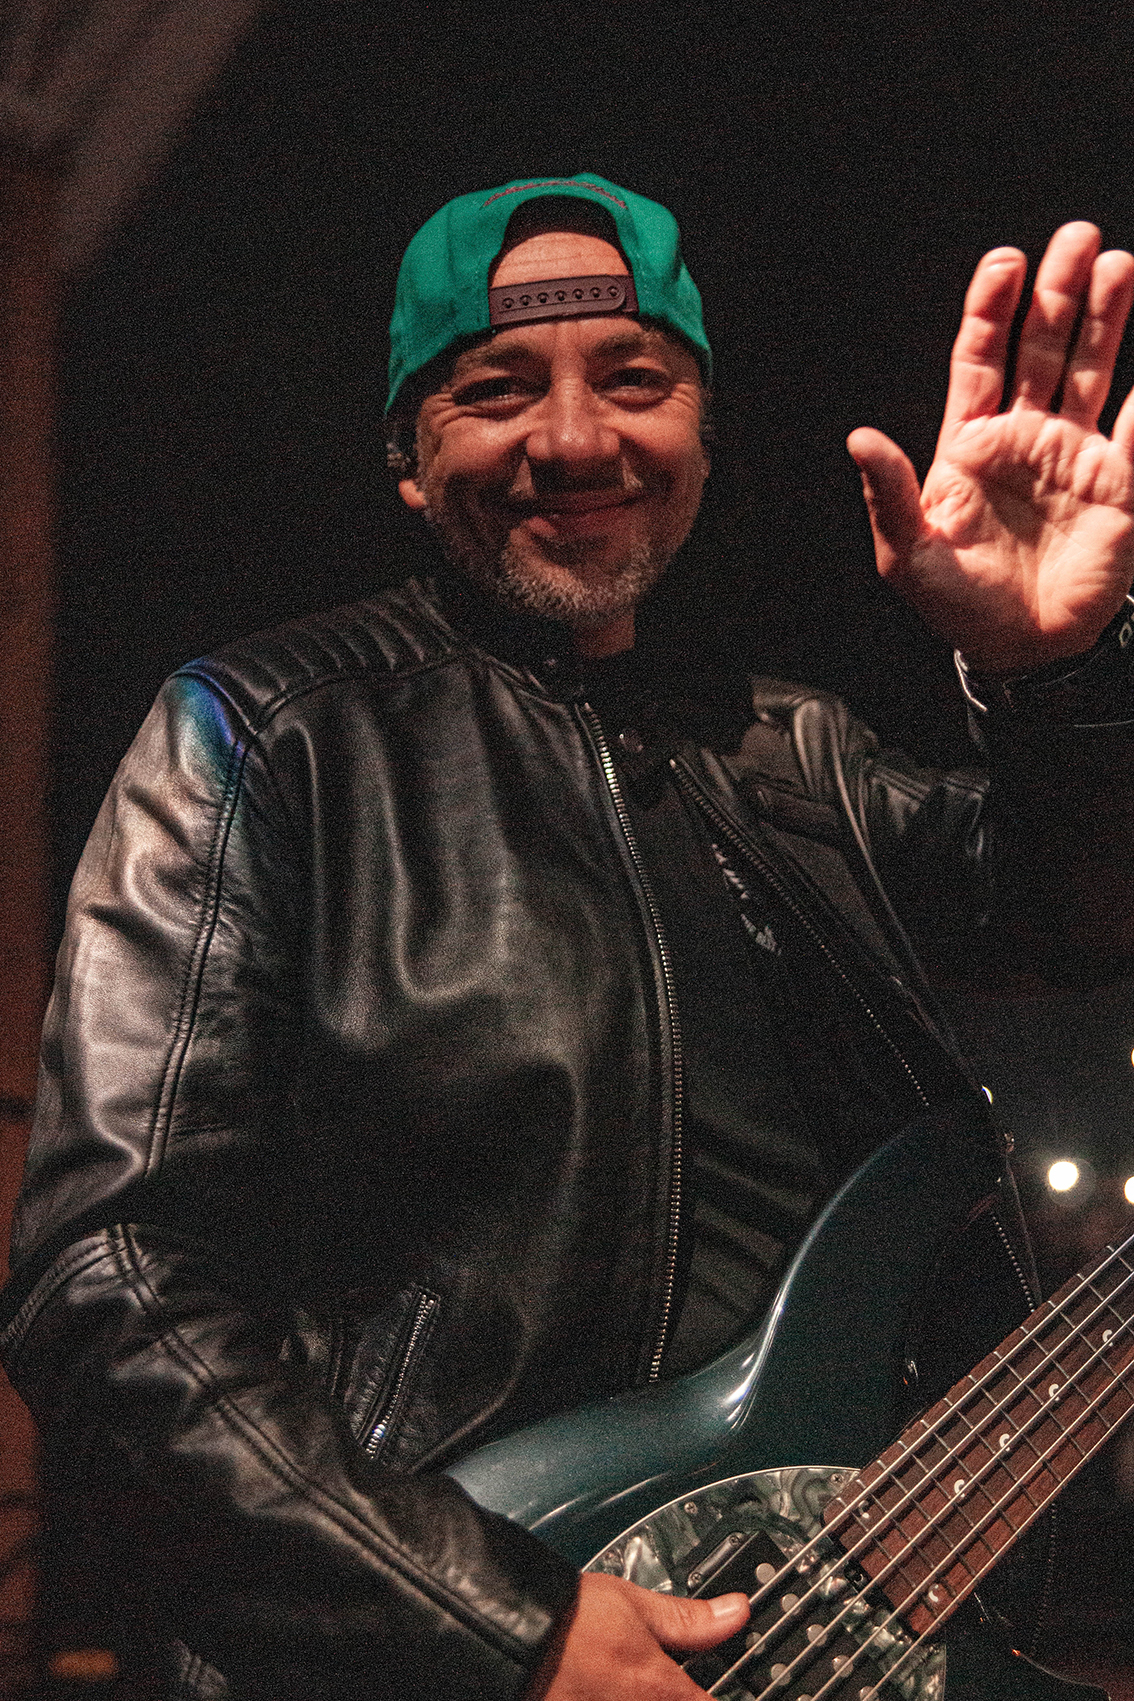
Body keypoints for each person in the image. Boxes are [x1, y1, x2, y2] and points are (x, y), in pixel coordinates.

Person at [4, 171, 1134, 1701]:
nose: (576, 437)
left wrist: (1050, 671)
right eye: (494, 390)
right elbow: (110, 1285)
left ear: (702, 431)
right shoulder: (270, 738)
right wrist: (499, 1620)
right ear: (409, 459)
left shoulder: (797, 757)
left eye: (634, 378)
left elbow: (1076, 914)